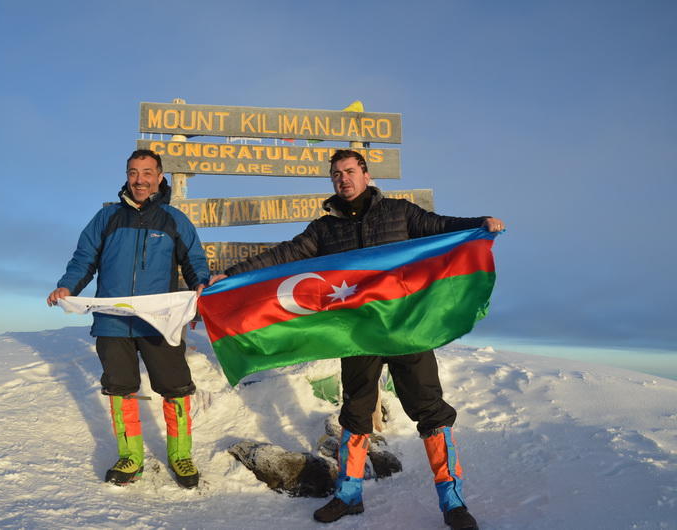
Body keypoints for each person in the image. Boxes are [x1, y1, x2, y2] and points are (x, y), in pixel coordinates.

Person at [209, 149, 504, 528]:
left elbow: (440, 227)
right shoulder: (325, 229)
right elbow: (285, 255)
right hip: (358, 336)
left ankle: (453, 502)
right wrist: (231, 276)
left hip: (406, 331)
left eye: (349, 171)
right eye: (336, 175)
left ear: (366, 175)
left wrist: (480, 224)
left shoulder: (399, 212)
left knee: (431, 411)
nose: (343, 179)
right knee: (355, 412)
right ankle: (349, 495)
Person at [47, 149, 209, 489]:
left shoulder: (174, 219)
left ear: (160, 177)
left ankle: (181, 454)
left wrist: (200, 285)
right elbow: (84, 258)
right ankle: (130, 455)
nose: (140, 179)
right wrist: (67, 286)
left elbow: (193, 260)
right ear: (127, 175)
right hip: (113, 321)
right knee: (120, 388)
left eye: (147, 172)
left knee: (176, 387)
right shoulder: (107, 218)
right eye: (134, 172)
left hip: (159, 321)